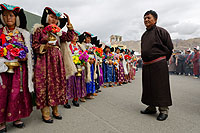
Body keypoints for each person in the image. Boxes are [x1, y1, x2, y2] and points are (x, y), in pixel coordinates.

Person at [32, 7, 73, 123]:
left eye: (56, 18)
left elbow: (69, 37)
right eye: (51, 17)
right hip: (44, 61)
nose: (54, 20)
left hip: (57, 61)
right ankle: (45, 113)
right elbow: (34, 46)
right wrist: (44, 47)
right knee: (44, 85)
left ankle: (55, 110)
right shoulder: (39, 30)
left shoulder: (59, 31)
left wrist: (69, 25)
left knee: (56, 84)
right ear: (46, 17)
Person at [0, 3, 33, 132]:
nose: (8, 18)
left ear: (16, 18)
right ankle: (1, 121)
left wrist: (25, 57)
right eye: (5, 15)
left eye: (11, 15)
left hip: (19, 69)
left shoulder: (23, 34)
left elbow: (29, 52)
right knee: (2, 93)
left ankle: (16, 117)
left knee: (17, 93)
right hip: (2, 69)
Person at [140, 10, 173, 121]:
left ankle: (163, 110)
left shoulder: (161, 31)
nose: (146, 20)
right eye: (145, 18)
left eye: (148, 17)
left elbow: (169, 48)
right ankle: (151, 107)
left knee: (160, 87)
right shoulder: (144, 35)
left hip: (159, 65)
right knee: (148, 87)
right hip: (147, 65)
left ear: (155, 19)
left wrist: (162, 61)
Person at [61, 29, 87, 107]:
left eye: (76, 36)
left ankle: (75, 99)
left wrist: (83, 61)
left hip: (79, 67)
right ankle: (66, 100)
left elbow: (84, 55)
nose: (75, 37)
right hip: (71, 67)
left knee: (78, 83)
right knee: (69, 83)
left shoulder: (80, 46)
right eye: (74, 35)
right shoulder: (67, 45)